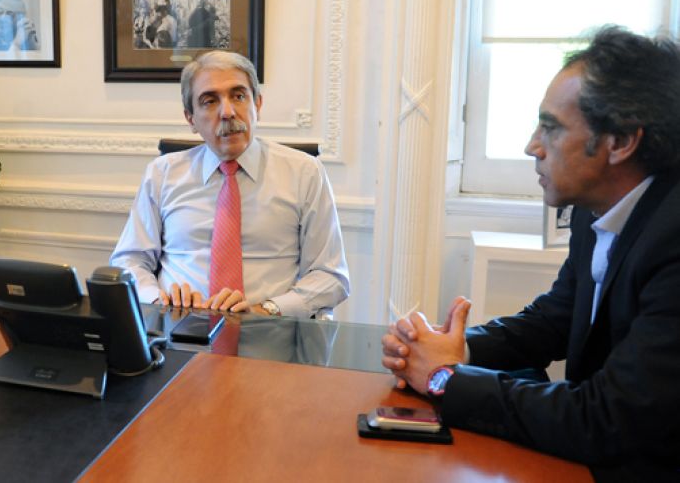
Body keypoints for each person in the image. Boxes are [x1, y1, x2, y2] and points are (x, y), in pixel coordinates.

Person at [382, 26, 680, 476]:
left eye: (551, 127)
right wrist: (452, 350)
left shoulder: (673, 235)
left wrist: (447, 380)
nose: (532, 146)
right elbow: (553, 321)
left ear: (620, 142)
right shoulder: (594, 207)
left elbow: (608, 419)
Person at [111, 51, 350, 317]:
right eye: (209, 101)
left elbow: (330, 275)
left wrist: (267, 310)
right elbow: (128, 261)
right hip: (180, 333)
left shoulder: (304, 172)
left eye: (238, 96)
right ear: (190, 118)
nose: (227, 112)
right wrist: (159, 301)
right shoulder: (163, 173)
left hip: (269, 333)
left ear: (257, 104)